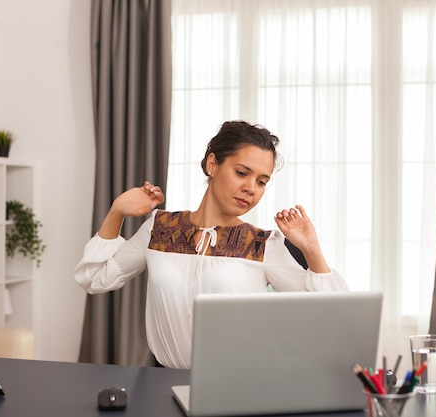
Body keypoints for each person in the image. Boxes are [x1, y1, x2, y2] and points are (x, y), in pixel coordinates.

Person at [74, 120, 349, 369]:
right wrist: (116, 212)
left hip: (237, 389)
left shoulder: (263, 244)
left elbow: (333, 316)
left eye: (262, 181)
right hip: (163, 384)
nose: (251, 188)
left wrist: (311, 249)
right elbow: (96, 279)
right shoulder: (159, 228)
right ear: (212, 164)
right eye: (242, 173)